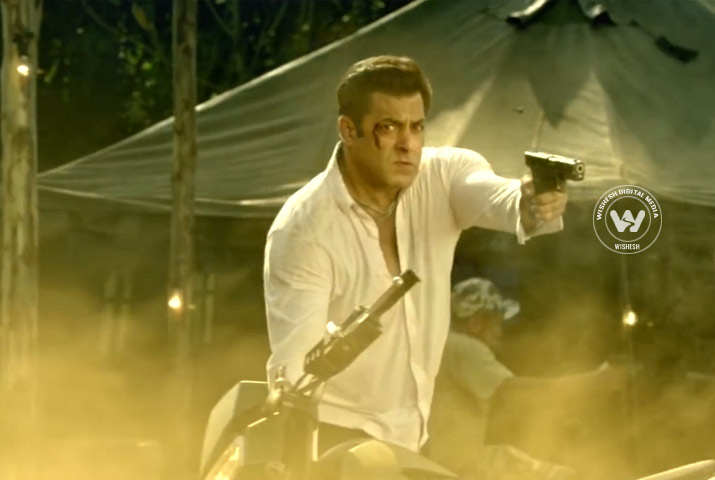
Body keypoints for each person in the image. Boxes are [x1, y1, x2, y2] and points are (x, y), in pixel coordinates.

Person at [263, 55, 567, 454]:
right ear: (348, 130)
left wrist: (532, 202)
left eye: (417, 126)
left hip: (412, 437)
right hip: (332, 438)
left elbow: (501, 199)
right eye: (388, 127)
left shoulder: (444, 175)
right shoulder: (304, 230)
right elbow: (294, 376)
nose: (408, 144)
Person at [429, 277, 627, 480]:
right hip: (456, 467)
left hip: (443, 463)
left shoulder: (444, 348)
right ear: (476, 323)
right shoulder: (464, 347)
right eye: (497, 323)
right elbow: (514, 392)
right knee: (562, 477)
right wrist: (592, 382)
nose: (500, 332)